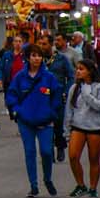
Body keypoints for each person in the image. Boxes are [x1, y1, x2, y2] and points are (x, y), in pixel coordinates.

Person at [5, 43, 61, 198]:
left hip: (45, 121)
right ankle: (34, 185)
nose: (37, 58)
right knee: (30, 152)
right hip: (25, 121)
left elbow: (57, 96)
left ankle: (48, 179)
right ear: (28, 58)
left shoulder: (49, 77)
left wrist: (52, 113)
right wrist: (16, 111)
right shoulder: (20, 77)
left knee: (47, 152)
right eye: (33, 55)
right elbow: (11, 95)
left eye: (39, 55)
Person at [64, 59, 100, 198]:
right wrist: (66, 130)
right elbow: (69, 109)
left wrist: (86, 93)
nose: (78, 71)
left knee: (94, 159)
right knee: (73, 156)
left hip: (95, 127)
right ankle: (80, 185)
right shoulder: (74, 88)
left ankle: (93, 188)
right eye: (77, 69)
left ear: (90, 71)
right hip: (78, 126)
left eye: (81, 69)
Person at [38, 31, 73, 164]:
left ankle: (60, 146)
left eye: (45, 44)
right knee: (45, 125)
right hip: (42, 98)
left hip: (58, 97)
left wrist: (66, 91)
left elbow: (70, 76)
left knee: (58, 125)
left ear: (51, 44)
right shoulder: (37, 59)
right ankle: (48, 152)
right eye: (40, 44)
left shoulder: (61, 59)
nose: (42, 46)